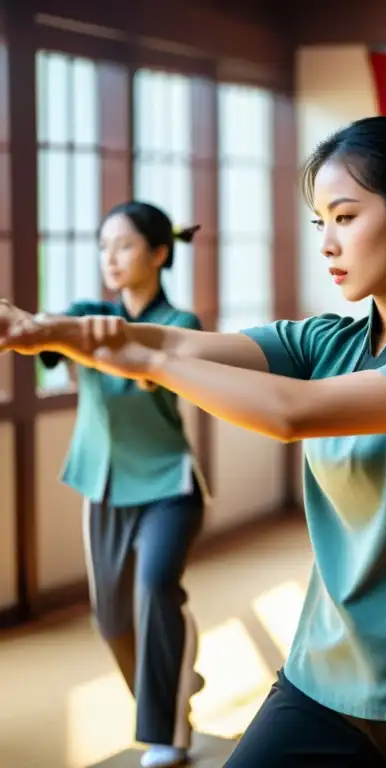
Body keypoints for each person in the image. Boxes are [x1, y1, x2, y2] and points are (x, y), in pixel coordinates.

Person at [1, 116, 386, 768]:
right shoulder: (330, 341)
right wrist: (44, 330)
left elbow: (293, 413)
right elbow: (172, 341)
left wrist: (146, 363)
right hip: (327, 666)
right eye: (321, 222)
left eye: (345, 217)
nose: (327, 242)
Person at [1, 202, 207, 768]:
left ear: (159, 253)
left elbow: (146, 365)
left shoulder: (181, 324)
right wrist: (27, 323)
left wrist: (96, 342)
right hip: (103, 486)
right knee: (113, 621)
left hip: (168, 485)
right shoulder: (88, 312)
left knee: (155, 588)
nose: (110, 258)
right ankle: (171, 684)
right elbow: (43, 336)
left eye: (124, 245)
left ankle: (168, 731)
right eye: (103, 246)